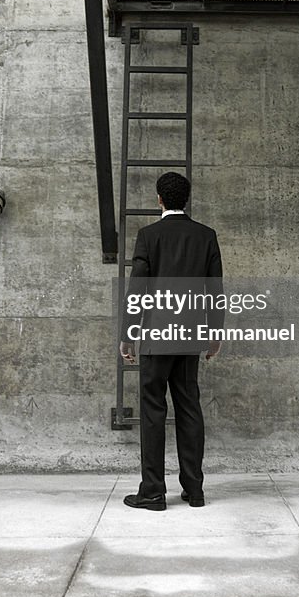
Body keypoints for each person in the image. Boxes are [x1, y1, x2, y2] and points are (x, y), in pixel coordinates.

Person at [120, 171, 223, 511]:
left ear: (159, 199)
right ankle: (194, 491)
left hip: (155, 337)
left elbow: (138, 289)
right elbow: (214, 291)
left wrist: (129, 334)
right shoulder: (206, 236)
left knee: (153, 412)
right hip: (190, 337)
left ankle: (153, 492)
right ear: (186, 200)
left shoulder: (149, 236)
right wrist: (214, 333)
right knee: (189, 409)